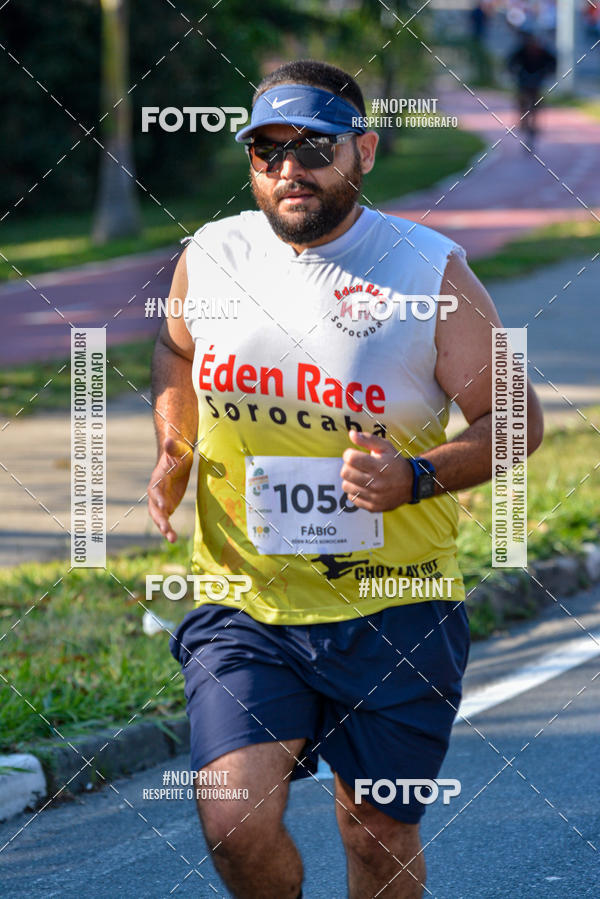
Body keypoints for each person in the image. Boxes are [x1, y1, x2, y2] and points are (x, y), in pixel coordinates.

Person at [148, 59, 544, 898]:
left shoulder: (428, 271)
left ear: (362, 152)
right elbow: (176, 352)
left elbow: (516, 423)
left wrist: (416, 476)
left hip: (397, 602)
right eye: (267, 151)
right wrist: (174, 444)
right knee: (232, 820)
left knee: (375, 829)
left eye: (313, 147)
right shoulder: (210, 255)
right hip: (247, 601)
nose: (289, 169)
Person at [507, 26, 557, 149]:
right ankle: (522, 116)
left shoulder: (544, 51)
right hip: (523, 79)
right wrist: (514, 72)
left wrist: (547, 72)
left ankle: (535, 119)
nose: (533, 44)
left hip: (538, 79)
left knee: (537, 101)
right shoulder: (521, 50)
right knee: (521, 98)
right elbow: (510, 62)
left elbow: (553, 62)